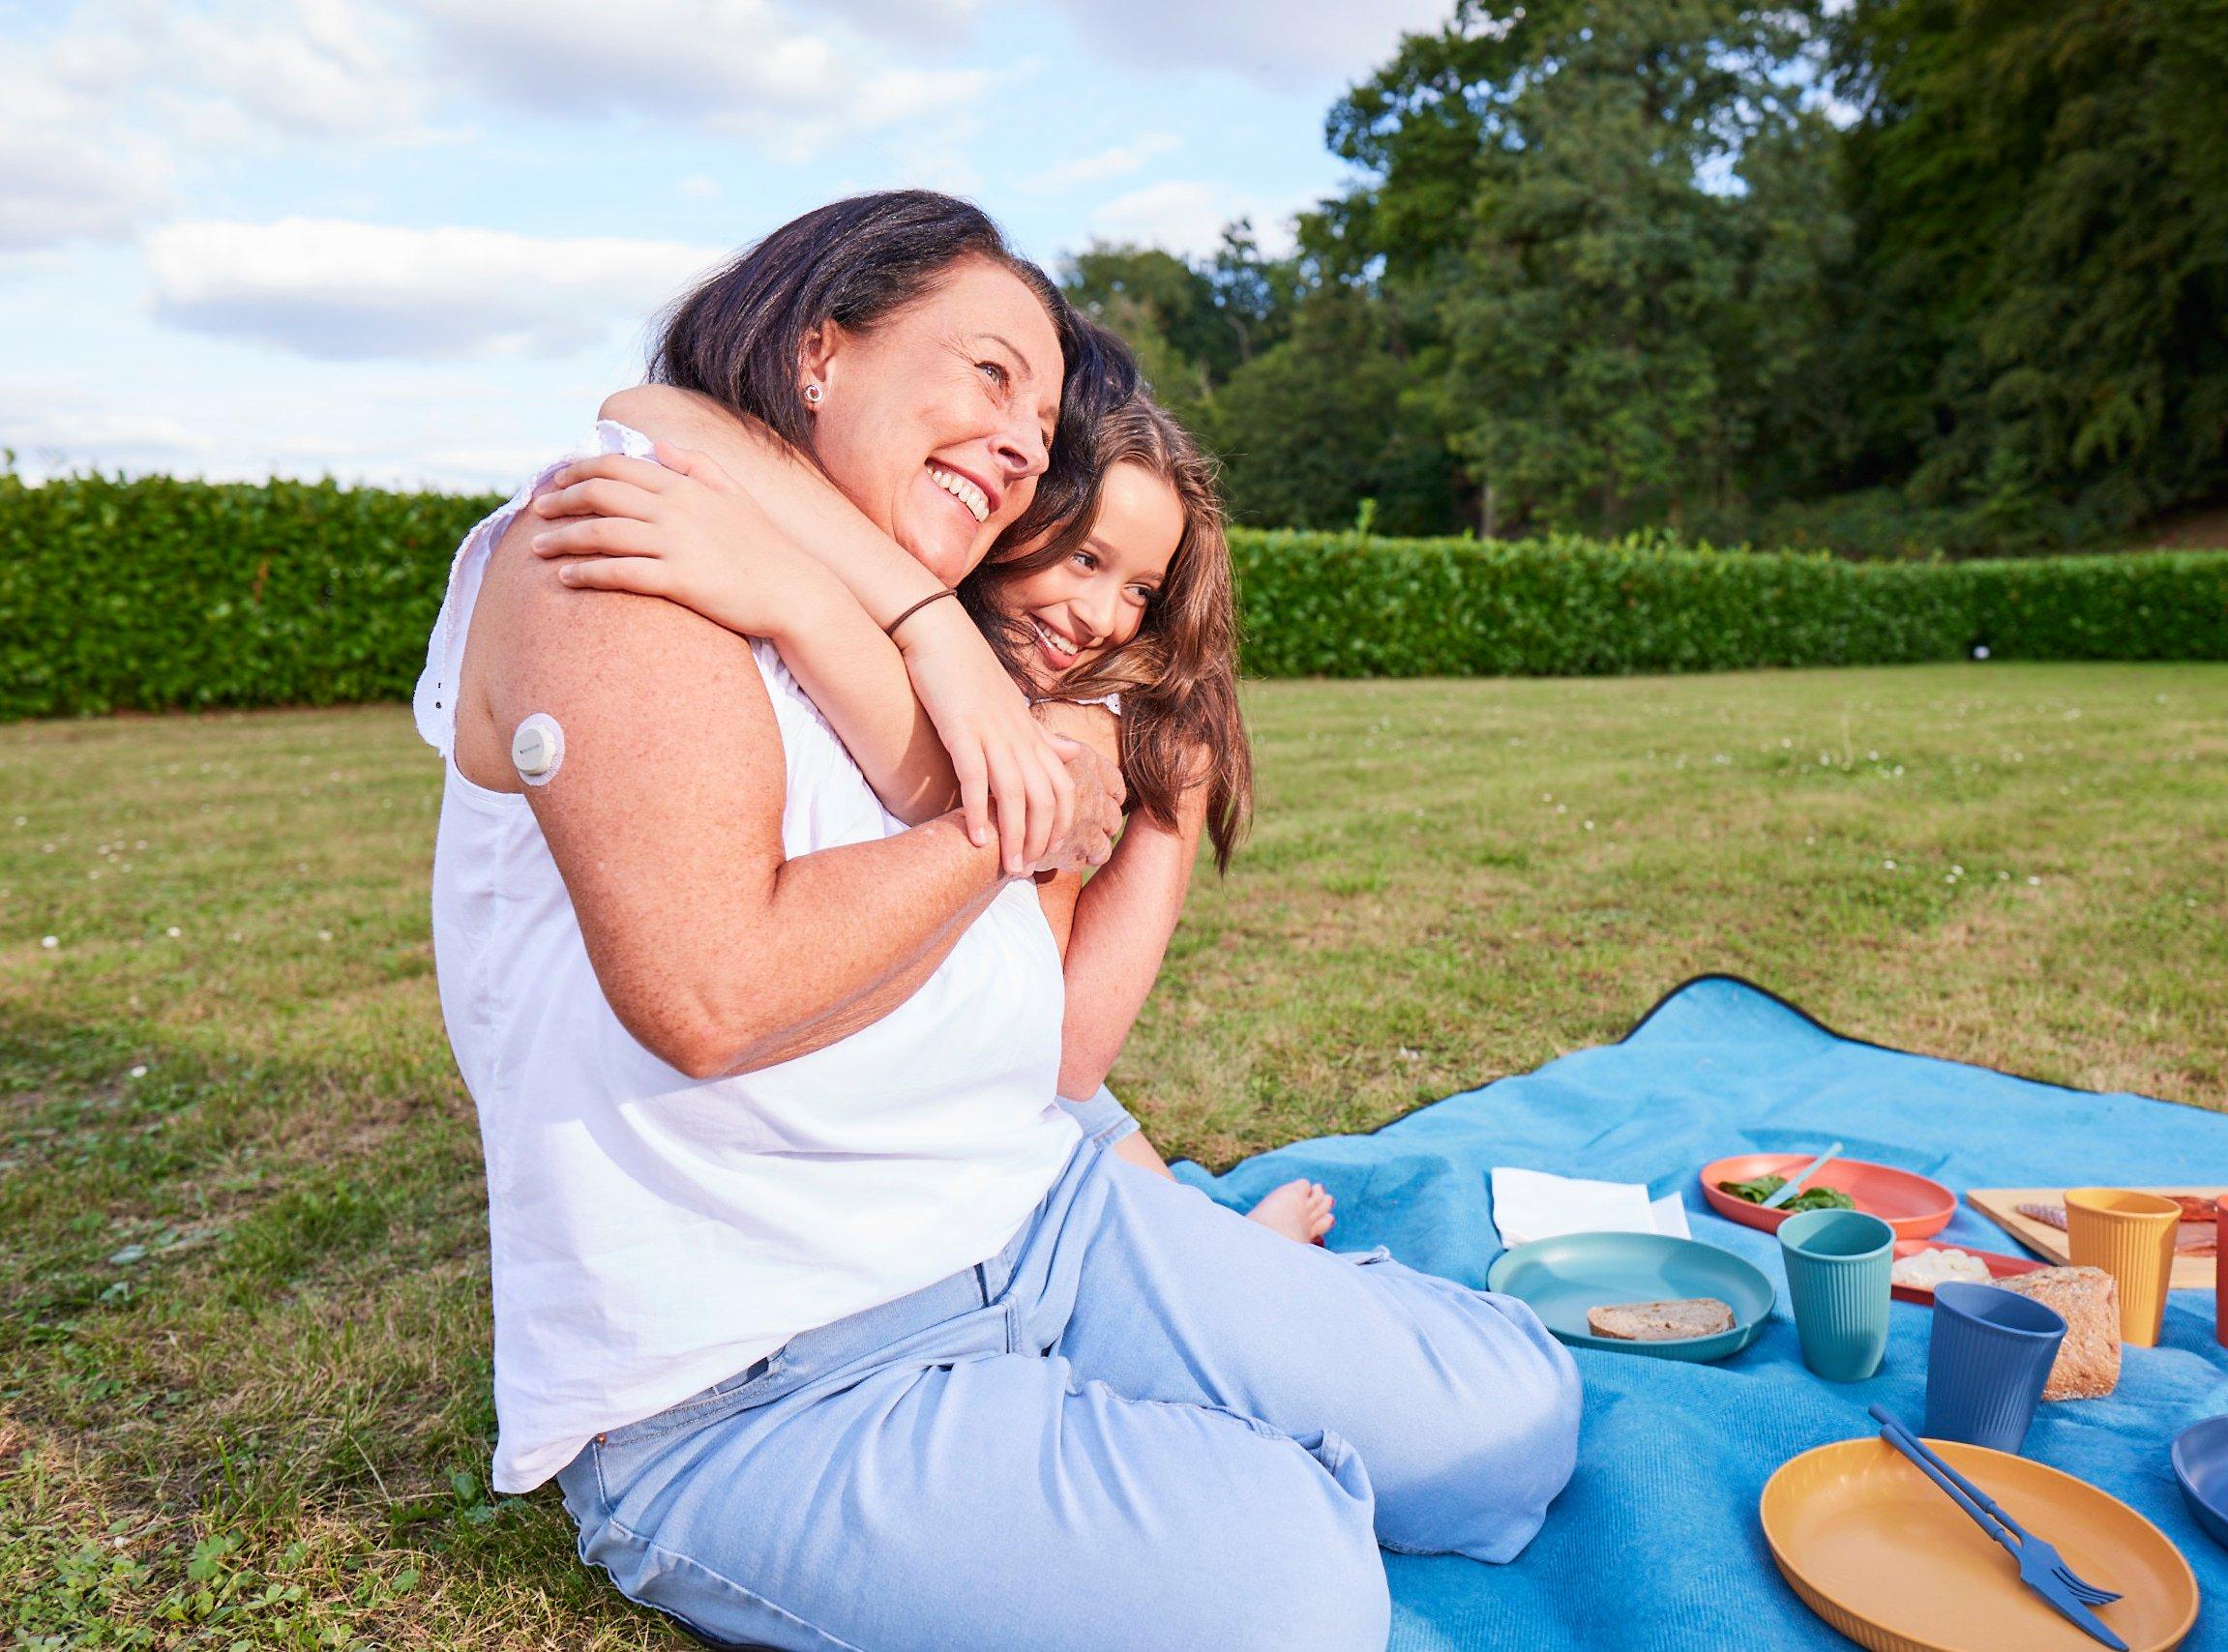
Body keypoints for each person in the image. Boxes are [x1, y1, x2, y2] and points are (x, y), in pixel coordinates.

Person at [417, 190, 1578, 1652]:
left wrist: (935, 658)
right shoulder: (620, 543)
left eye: (1042, 416)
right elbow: (712, 995)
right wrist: (1021, 801)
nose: (1026, 439)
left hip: (1040, 1221)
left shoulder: (897, 603)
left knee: (1513, 1418)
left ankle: (1176, 1385)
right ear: (819, 346)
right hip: (768, 1377)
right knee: (1292, 1598)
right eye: (989, 374)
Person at [540, 385, 1336, 1242]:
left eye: (1142, 590)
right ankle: (1225, 1243)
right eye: (1084, 558)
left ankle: (1233, 1248)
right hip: (926, 1064)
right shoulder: (926, 612)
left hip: (1007, 1069)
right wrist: (822, 598)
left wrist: (788, 596)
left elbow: (1066, 1054)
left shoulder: (1070, 720)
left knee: (1112, 1158)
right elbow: (651, 410)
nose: (1105, 619)